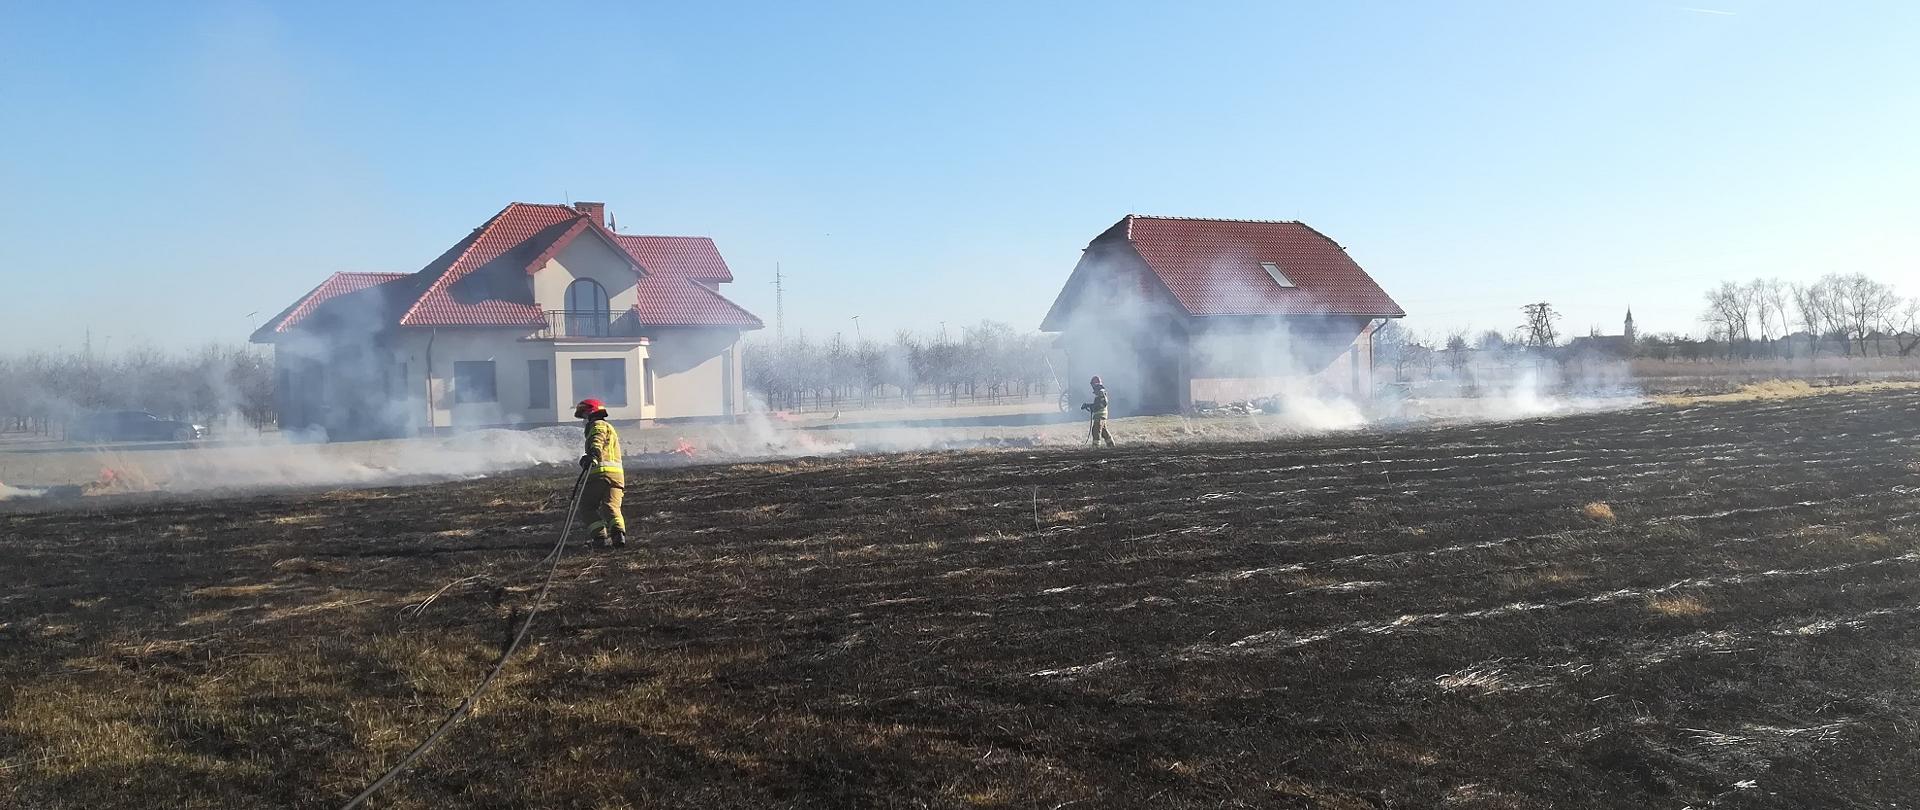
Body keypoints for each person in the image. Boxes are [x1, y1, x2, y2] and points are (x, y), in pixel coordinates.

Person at [574, 398, 627, 548]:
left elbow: (597, 439)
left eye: (584, 416)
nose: (584, 420)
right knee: (611, 506)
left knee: (587, 506)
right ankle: (618, 536)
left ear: (590, 413)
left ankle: (599, 538)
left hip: (600, 475)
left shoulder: (597, 425)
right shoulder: (610, 427)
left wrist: (592, 454)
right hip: (616, 476)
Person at [1080, 375, 1114, 447]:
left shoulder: (1100, 392)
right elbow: (1097, 404)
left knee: (1096, 431)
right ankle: (1111, 444)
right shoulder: (1100, 392)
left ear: (1095, 384)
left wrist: (1092, 407)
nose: (1092, 387)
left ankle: (1096, 447)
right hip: (1101, 415)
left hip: (1100, 416)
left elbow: (1102, 404)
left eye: (1093, 385)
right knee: (1103, 432)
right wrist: (1089, 405)